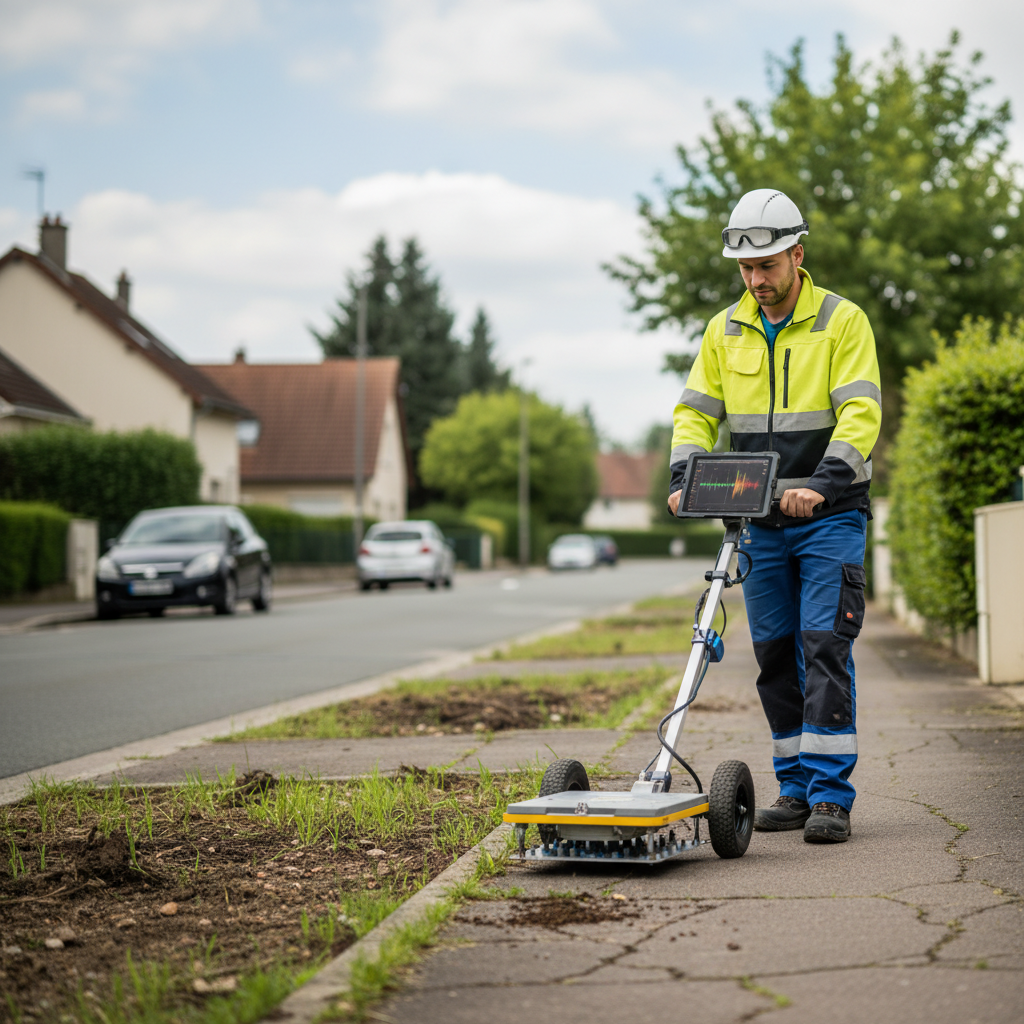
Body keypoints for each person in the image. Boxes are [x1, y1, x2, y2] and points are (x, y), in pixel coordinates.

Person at [668, 188, 882, 843]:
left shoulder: (841, 322)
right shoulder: (722, 329)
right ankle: (792, 785)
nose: (755, 280)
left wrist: (821, 484)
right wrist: (684, 476)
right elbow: (696, 412)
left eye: (766, 266)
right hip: (758, 523)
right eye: (745, 269)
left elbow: (861, 413)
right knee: (773, 654)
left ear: (797, 254)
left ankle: (830, 796)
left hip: (829, 516)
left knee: (824, 644)